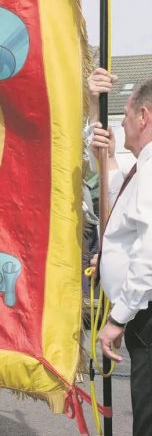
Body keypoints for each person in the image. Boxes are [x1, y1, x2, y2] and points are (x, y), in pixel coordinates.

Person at [89, 68, 152, 436]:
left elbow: (149, 253)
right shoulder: (140, 168)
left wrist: (117, 320)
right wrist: (95, 116)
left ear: (145, 117)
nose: (123, 125)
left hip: (144, 316)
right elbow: (121, 209)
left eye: (126, 117)